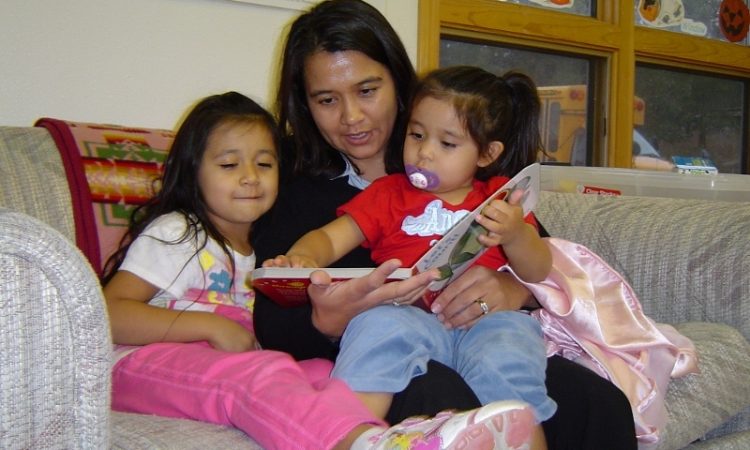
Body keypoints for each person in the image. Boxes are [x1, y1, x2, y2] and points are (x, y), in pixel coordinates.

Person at [252, 0, 638, 449]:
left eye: (367, 90)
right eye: (326, 100)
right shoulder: (294, 187)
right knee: (450, 403)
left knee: (597, 401)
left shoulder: (464, 152)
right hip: (393, 350)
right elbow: (274, 321)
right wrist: (330, 320)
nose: (351, 117)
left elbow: (545, 261)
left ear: (398, 83)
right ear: (305, 104)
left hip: (488, 334)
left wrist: (511, 289)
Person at [101, 91, 537, 450]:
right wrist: (210, 327)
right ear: (193, 171)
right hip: (141, 367)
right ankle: (365, 444)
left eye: (265, 164)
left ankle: (409, 433)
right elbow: (107, 313)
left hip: (224, 367)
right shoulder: (180, 232)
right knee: (260, 376)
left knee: (321, 375)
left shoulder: (257, 248)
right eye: (230, 165)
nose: (251, 177)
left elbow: (542, 262)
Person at [264, 65, 557, 448]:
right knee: (376, 327)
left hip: (489, 322)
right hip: (412, 317)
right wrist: (301, 257)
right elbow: (330, 239)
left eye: (447, 144)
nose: (425, 152)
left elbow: (540, 270)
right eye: (416, 135)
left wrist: (517, 234)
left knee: (510, 356)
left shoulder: (501, 197)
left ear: (487, 153)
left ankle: (524, 438)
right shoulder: (389, 193)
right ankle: (351, 433)